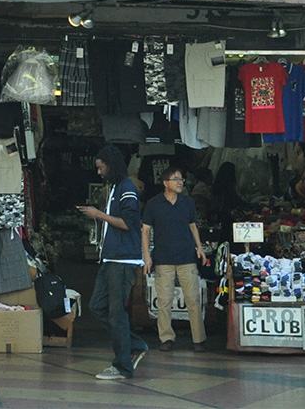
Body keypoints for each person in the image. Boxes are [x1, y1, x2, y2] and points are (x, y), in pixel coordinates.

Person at [78, 144, 148, 380]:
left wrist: (99, 215)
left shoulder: (126, 189)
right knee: (97, 306)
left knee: (116, 313)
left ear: (111, 164)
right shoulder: (118, 187)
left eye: (100, 167)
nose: (99, 172)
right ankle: (134, 345)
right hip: (111, 259)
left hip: (122, 259)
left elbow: (129, 223)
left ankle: (122, 366)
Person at [142, 165, 208, 351]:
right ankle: (166, 338)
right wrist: (147, 257)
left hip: (187, 257)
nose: (180, 182)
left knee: (193, 299)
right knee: (164, 301)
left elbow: (193, 225)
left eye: (181, 179)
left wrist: (199, 248)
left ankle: (199, 339)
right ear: (165, 183)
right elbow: (145, 231)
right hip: (163, 259)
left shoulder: (187, 202)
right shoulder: (153, 204)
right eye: (176, 179)